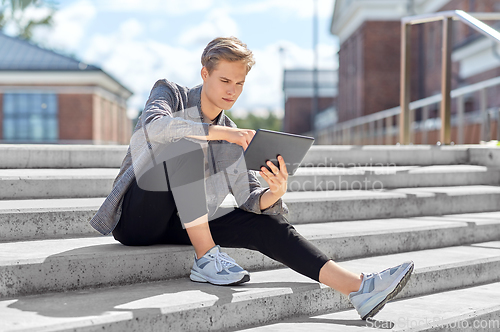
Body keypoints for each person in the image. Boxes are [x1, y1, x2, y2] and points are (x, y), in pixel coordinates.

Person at [89, 36, 414, 320]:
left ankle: (360, 288)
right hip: (138, 218)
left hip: (185, 222)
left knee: (267, 224)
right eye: (225, 81)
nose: (233, 91)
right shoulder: (170, 93)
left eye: (240, 83)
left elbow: (250, 196)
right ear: (205, 74)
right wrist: (215, 133)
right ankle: (206, 258)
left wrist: (275, 190)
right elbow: (154, 129)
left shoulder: (230, 135)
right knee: (183, 144)